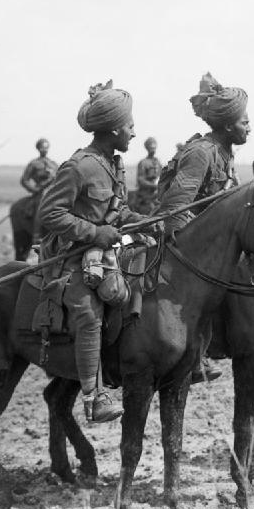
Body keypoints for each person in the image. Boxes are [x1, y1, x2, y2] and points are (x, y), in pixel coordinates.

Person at [38, 80, 153, 423]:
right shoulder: (79, 166)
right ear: (115, 128)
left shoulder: (113, 164)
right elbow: (51, 213)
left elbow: (118, 212)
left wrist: (148, 221)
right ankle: (93, 397)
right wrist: (95, 232)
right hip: (72, 258)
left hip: (107, 253)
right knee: (89, 314)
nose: (134, 132)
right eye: (131, 126)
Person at [155, 72, 249, 382]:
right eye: (243, 121)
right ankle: (196, 352)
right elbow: (176, 207)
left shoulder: (224, 154)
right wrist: (198, 248)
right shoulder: (201, 153)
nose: (249, 126)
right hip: (187, 244)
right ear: (226, 125)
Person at [20, 138, 58, 245]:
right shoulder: (34, 164)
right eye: (42, 147)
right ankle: (37, 235)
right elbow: (24, 180)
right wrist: (34, 189)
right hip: (41, 192)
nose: (44, 150)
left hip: (54, 190)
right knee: (41, 203)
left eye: (46, 147)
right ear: (38, 149)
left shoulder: (53, 164)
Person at [133, 137, 163, 213]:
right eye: (151, 147)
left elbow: (162, 175)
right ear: (147, 148)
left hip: (157, 196)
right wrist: (154, 185)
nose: (153, 149)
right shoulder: (143, 163)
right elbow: (141, 180)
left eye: (154, 147)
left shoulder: (158, 162)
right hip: (146, 198)